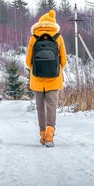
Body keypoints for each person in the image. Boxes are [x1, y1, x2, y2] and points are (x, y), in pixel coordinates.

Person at [26, 10, 67, 147]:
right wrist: (56, 68)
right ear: (53, 24)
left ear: (40, 23)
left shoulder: (34, 37)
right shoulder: (58, 37)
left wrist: (37, 68)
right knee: (52, 108)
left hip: (37, 80)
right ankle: (50, 136)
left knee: (40, 108)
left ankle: (42, 136)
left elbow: (27, 62)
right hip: (54, 80)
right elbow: (64, 61)